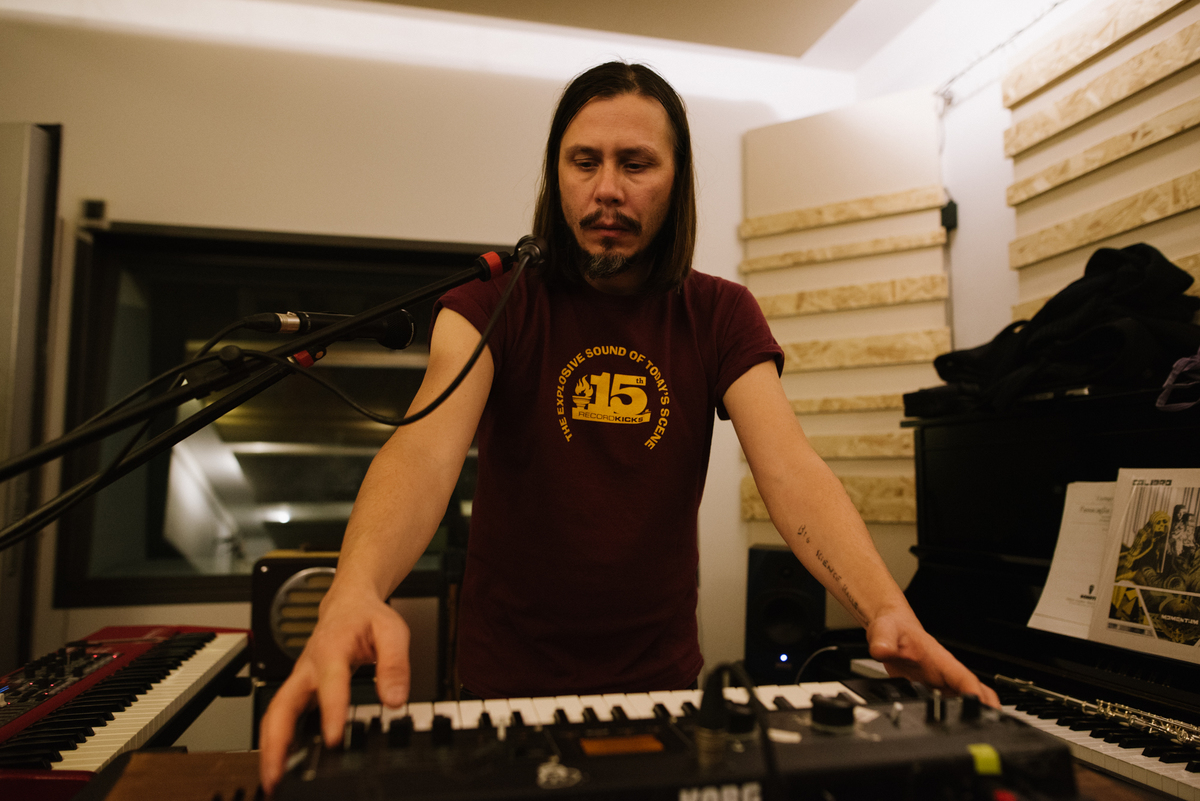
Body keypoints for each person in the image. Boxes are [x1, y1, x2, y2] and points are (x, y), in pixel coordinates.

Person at [259, 61, 999, 793]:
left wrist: (885, 608)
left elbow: (790, 470)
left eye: (636, 164)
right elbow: (424, 450)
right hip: (503, 686)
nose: (607, 187)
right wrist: (354, 589)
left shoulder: (720, 313)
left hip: (659, 689)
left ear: (676, 182)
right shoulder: (490, 303)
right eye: (585, 162)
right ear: (557, 176)